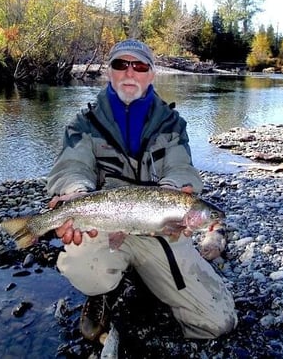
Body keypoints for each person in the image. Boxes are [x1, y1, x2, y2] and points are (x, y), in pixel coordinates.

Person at [47, 38, 237, 342]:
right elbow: (72, 166)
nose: (129, 73)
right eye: (120, 65)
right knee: (85, 268)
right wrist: (74, 192)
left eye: (140, 66)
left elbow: (180, 166)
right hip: (103, 225)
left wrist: (176, 188)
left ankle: (146, 276)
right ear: (109, 72)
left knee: (218, 323)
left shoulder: (172, 124)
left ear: (152, 74)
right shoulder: (82, 123)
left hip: (157, 231)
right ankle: (102, 291)